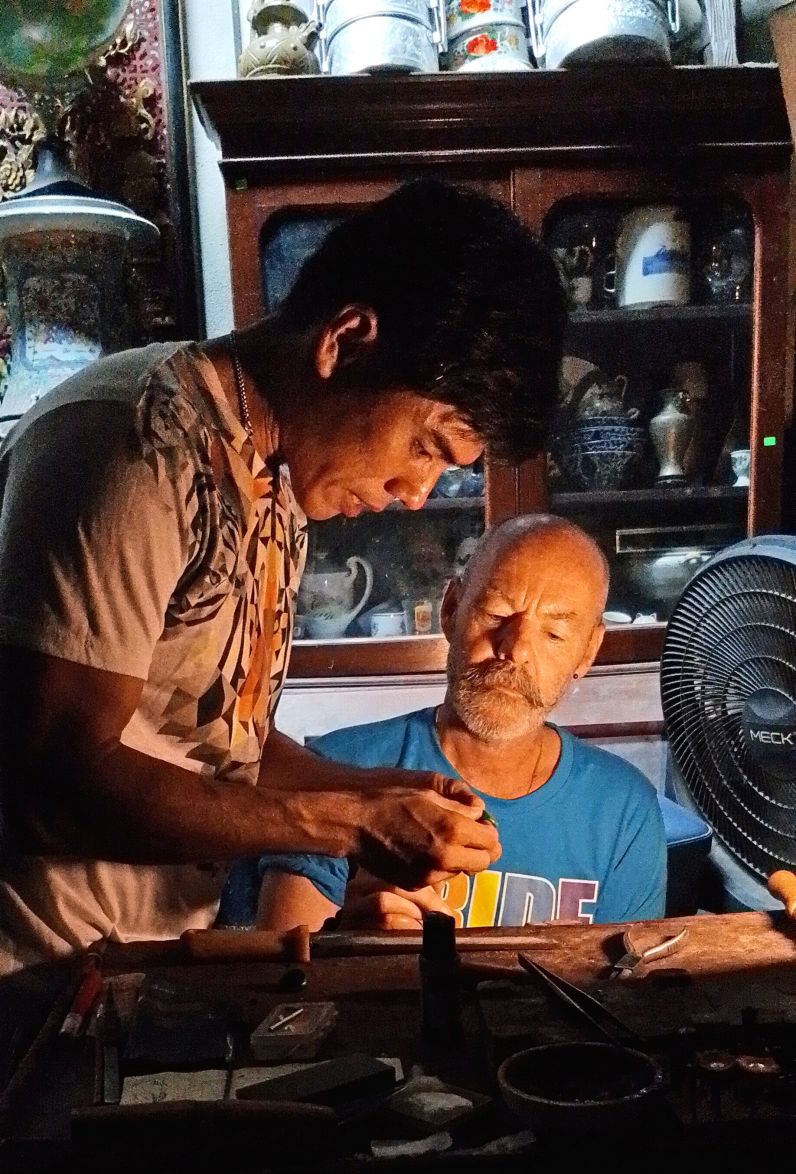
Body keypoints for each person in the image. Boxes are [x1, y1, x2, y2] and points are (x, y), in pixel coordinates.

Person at [0, 180, 567, 973]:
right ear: (347, 339)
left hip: (134, 968)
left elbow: (222, 739)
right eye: (428, 448)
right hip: (31, 981)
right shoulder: (132, 445)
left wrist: (377, 792)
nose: (415, 495)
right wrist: (345, 825)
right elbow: (55, 783)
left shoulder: (274, 483)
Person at [257, 515, 667, 932]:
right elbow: (283, 981)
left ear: (587, 652)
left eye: (554, 635)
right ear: (451, 609)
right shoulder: (336, 771)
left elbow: (620, 986)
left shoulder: (622, 809)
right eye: (495, 614)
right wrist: (348, 941)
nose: (514, 651)